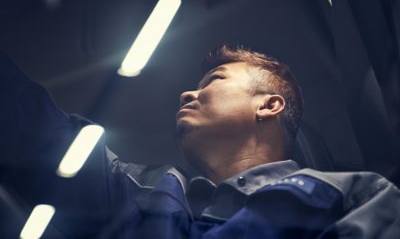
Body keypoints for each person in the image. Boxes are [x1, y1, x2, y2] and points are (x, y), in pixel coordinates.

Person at [1, 46, 399, 239]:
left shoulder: (350, 195)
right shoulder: (145, 195)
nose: (186, 95)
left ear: (269, 105)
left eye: (214, 81)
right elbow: (34, 131)